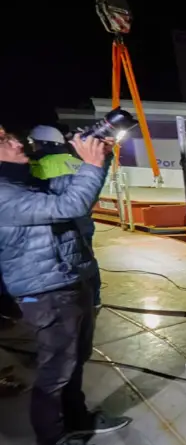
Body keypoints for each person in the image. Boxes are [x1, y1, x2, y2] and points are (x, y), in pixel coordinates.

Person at [0, 126, 130, 445]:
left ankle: (77, 419)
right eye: (3, 140)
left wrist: (99, 158)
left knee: (75, 358)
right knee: (56, 368)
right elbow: (70, 205)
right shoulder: (3, 194)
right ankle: (49, 444)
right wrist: (89, 164)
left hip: (68, 280)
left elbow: (73, 196)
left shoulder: (23, 182)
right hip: (45, 290)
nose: (16, 141)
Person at [27, 124, 101, 308]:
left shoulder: (36, 166)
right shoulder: (78, 161)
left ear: (41, 144)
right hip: (84, 221)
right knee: (87, 259)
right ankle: (94, 299)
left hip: (57, 224)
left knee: (60, 266)